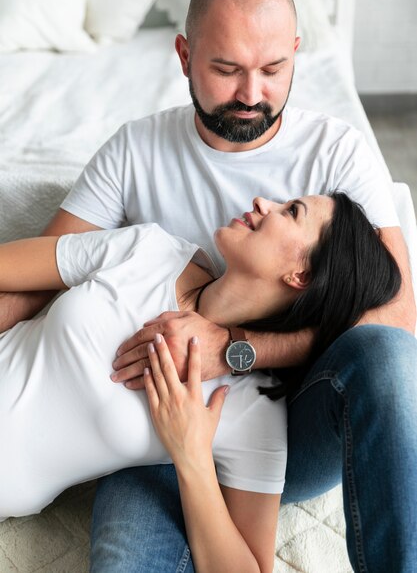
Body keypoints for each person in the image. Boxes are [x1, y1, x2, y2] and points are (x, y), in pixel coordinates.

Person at [0, 0, 416, 573]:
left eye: (274, 69)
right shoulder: (138, 167)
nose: (252, 93)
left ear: (297, 52)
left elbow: (397, 319)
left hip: (276, 416)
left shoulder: (337, 153)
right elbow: (39, 281)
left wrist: (233, 352)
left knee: (387, 359)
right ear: (185, 55)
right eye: (226, 69)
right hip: (146, 435)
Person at [0, 192, 399, 572]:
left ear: (302, 274)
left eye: (292, 211)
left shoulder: (250, 408)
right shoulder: (151, 250)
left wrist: (191, 456)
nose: (263, 202)